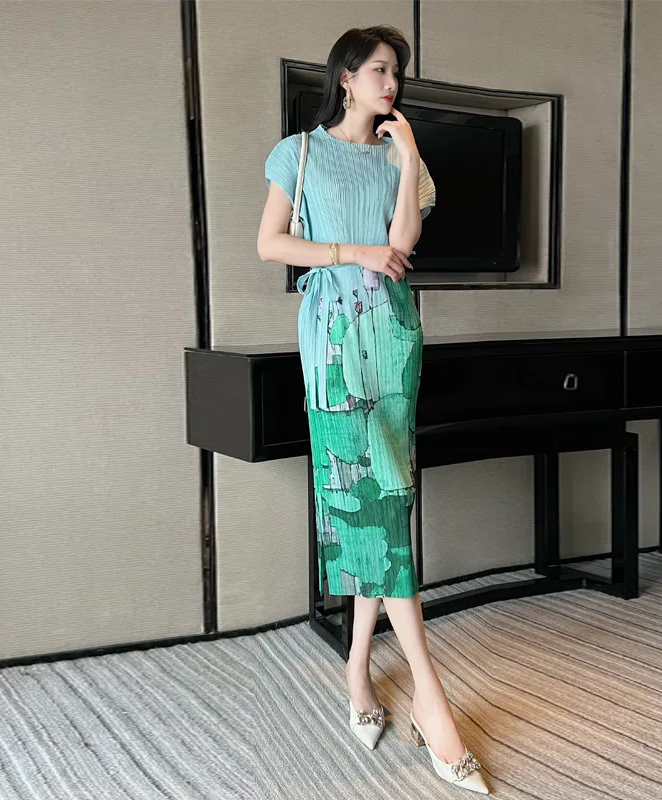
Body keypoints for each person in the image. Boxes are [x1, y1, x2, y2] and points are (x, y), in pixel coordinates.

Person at [257, 25, 489, 795]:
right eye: (381, 69)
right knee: (369, 499)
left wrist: (411, 157)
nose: (393, 82)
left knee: (384, 497)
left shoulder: (398, 158)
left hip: (393, 337)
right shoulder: (298, 153)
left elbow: (403, 242)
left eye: (399, 73)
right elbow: (270, 244)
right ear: (347, 77)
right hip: (332, 339)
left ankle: (358, 667)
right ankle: (430, 694)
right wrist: (349, 253)